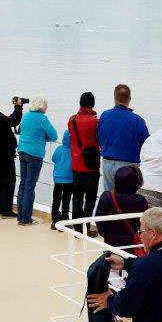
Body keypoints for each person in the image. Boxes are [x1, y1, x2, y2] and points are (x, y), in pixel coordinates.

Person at [97, 84, 150, 192]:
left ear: (114, 97)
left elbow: (98, 136)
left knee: (110, 199)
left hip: (107, 162)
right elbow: (147, 143)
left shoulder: (104, 116)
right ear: (129, 99)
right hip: (128, 165)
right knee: (128, 199)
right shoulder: (137, 120)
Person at [16, 95, 58, 225]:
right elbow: (54, 135)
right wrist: (42, 138)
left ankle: (20, 216)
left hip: (22, 150)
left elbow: (21, 130)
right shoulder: (42, 119)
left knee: (23, 184)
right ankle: (25, 219)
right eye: (45, 105)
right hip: (34, 154)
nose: (46, 107)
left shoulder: (26, 116)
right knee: (30, 186)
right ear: (41, 106)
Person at [94, 165, 149, 252]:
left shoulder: (106, 196)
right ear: (136, 181)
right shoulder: (140, 201)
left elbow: (99, 220)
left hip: (110, 243)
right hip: (133, 245)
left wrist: (107, 235)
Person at [68, 92, 100, 233]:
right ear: (92, 104)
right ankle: (86, 227)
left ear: (80, 103)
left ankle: (77, 227)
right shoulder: (95, 122)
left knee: (77, 198)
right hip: (91, 166)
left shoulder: (72, 120)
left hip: (76, 166)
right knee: (90, 199)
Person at [50, 128, 73, 230]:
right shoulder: (73, 151)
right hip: (69, 180)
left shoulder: (59, 149)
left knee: (56, 199)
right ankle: (65, 219)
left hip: (58, 179)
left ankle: (55, 220)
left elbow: (53, 158)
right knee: (66, 200)